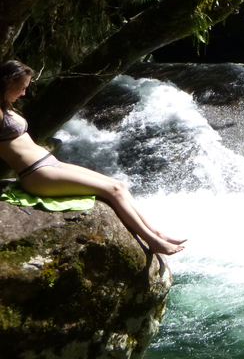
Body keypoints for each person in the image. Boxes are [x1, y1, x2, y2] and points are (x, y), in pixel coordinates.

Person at [0, 60, 185, 255]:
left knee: (119, 185)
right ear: (8, 82)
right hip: (36, 174)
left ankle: (156, 231)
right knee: (112, 190)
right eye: (22, 87)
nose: (24, 93)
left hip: (49, 164)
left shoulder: (6, 106)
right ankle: (152, 241)